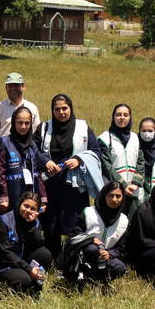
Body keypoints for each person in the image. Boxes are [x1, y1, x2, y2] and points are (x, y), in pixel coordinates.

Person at [35, 94, 102, 258]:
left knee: (74, 224)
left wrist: (79, 160)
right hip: (50, 185)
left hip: (74, 187)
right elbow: (33, 149)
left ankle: (72, 258)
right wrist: (45, 161)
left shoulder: (82, 127)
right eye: (57, 109)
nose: (61, 112)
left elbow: (96, 151)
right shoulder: (44, 128)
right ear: (52, 111)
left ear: (71, 109)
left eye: (64, 108)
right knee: (51, 224)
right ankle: (53, 258)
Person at [0, 191, 51, 296]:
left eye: (33, 208)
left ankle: (37, 286)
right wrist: (28, 269)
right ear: (20, 203)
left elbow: (39, 244)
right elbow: (5, 252)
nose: (28, 210)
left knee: (45, 254)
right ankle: (3, 287)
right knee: (24, 279)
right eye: (26, 206)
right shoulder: (3, 221)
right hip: (3, 263)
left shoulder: (35, 222)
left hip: (21, 259)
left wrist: (32, 226)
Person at [69, 180, 130, 285]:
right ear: (104, 195)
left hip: (106, 258)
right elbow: (74, 236)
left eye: (118, 196)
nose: (114, 199)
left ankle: (99, 281)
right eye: (110, 195)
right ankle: (84, 277)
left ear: (123, 198)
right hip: (85, 255)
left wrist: (109, 254)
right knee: (93, 249)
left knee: (120, 268)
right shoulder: (89, 213)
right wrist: (90, 240)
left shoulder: (124, 220)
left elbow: (121, 248)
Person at [0, 106, 48, 215]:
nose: (23, 126)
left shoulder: (32, 144)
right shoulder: (4, 142)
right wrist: (3, 198)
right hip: (12, 195)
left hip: (30, 196)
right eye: (20, 122)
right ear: (14, 122)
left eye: (27, 123)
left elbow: (37, 173)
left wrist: (43, 198)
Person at [98, 104, 142, 209]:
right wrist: (123, 184)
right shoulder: (104, 138)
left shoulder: (135, 138)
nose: (122, 118)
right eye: (118, 115)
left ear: (130, 117)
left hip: (133, 191)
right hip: (112, 192)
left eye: (126, 115)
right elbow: (106, 166)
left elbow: (140, 161)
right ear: (113, 117)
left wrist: (135, 182)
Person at [0, 72, 40, 140]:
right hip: (4, 146)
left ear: (23, 87)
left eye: (16, 85)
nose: (13, 88)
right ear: (6, 88)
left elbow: (36, 134)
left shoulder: (32, 108)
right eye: (10, 86)